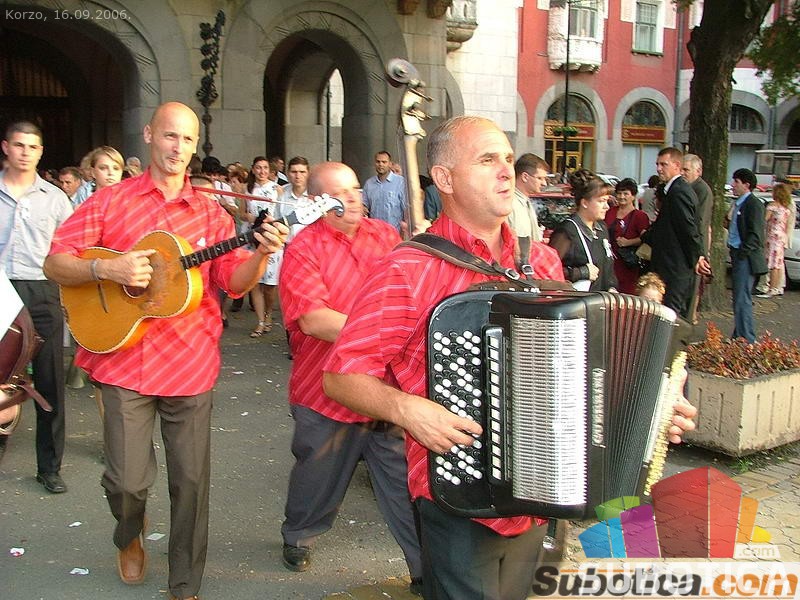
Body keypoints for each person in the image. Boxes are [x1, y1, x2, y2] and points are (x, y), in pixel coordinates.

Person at [322, 116, 697, 600]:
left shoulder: (539, 261)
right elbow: (341, 375)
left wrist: (652, 410)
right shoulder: (407, 268)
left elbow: (584, 371)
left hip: (542, 495)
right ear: (445, 179)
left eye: (506, 158)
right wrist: (407, 409)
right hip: (457, 494)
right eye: (486, 160)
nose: (505, 170)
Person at [43, 101, 288, 600]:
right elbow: (56, 263)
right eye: (170, 136)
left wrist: (262, 253)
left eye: (188, 140)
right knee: (126, 483)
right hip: (122, 358)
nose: (178, 148)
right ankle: (129, 532)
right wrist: (106, 269)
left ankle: (185, 583)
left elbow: (234, 282)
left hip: (189, 362)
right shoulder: (111, 202)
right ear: (149, 134)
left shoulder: (211, 213)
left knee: (191, 483)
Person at [277, 161, 422, 593]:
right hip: (324, 388)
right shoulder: (304, 248)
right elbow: (313, 319)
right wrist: (381, 330)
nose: (354, 198)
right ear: (318, 201)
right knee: (317, 476)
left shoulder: (386, 236)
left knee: (404, 483)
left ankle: (425, 566)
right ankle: (298, 535)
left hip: (383, 387)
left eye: (356, 188)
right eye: (341, 192)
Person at [0, 120, 73, 494]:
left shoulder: (55, 198)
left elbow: (70, 248)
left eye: (32, 146)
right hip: (1, 289)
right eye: (19, 145)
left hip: (42, 289)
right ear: (6, 147)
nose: (25, 152)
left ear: (41, 152)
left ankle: (49, 467)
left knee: (49, 381)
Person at [642, 148, 710, 319]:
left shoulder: (679, 191)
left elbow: (689, 230)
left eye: (663, 164)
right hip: (670, 266)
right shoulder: (674, 190)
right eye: (657, 164)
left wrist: (697, 257)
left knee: (670, 317)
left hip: (675, 269)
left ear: (677, 165)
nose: (658, 168)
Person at [549, 169, 618, 292]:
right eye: (601, 201)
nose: (607, 206)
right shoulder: (567, 231)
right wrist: (581, 272)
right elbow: (549, 271)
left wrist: (612, 287)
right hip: (577, 301)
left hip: (602, 300)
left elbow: (608, 268)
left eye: (607, 201)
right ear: (585, 203)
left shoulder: (602, 228)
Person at [726, 168, 766, 343]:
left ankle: (747, 339)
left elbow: (755, 234)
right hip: (737, 254)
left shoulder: (753, 204)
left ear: (746, 185)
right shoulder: (739, 203)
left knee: (742, 298)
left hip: (746, 257)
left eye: (736, 182)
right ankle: (739, 334)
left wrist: (742, 253)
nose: (733, 185)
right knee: (739, 298)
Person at [245, 156, 280, 337]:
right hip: (251, 237)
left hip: (270, 237)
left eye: (265, 168)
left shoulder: (277, 189)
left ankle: (268, 314)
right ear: (253, 169)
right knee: (255, 282)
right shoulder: (247, 189)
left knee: (269, 285)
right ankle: (260, 321)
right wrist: (248, 217)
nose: (262, 171)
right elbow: (241, 212)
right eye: (258, 168)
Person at [681, 154, 714, 324]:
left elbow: (700, 223)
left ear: (698, 171)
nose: (682, 173)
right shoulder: (685, 187)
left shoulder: (702, 190)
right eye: (681, 169)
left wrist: (699, 253)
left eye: (686, 170)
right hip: (687, 247)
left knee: (692, 292)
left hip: (695, 248)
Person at [605, 177, 649, 294]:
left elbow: (645, 238)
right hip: (609, 262)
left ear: (633, 196)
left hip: (627, 263)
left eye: (626, 194)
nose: (621, 196)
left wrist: (628, 242)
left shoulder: (640, 216)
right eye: (619, 193)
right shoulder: (609, 212)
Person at [508, 153, 548, 269]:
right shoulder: (509, 204)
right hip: (516, 269)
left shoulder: (525, 202)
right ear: (525, 177)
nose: (544, 183)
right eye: (540, 178)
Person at [758, 183, 793, 298]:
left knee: (772, 263)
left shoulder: (772, 206)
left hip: (772, 236)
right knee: (777, 263)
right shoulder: (786, 209)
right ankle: (776, 287)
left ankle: (771, 288)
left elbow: (764, 220)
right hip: (781, 237)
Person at [362, 150, 407, 233]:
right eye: (378, 162)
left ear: (390, 164)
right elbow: (364, 206)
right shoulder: (369, 184)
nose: (380, 164)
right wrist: (363, 208)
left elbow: (406, 210)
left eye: (384, 162)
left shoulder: (400, 182)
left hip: (394, 233)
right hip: (375, 233)